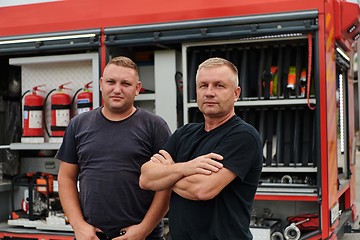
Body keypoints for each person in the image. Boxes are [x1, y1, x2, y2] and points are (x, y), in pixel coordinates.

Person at [139, 57, 262, 240]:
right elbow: (145, 178)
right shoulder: (184, 133)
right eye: (203, 85)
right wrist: (186, 168)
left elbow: (202, 189)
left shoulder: (243, 136)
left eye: (219, 85)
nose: (209, 92)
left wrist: (167, 173)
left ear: (236, 93)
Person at [56, 56, 171, 240]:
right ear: (101, 84)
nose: (117, 89)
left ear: (137, 88)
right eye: (111, 82)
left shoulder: (155, 127)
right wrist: (78, 226)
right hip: (91, 237)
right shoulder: (78, 125)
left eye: (125, 83)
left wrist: (143, 230)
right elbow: (66, 178)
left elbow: (166, 185)